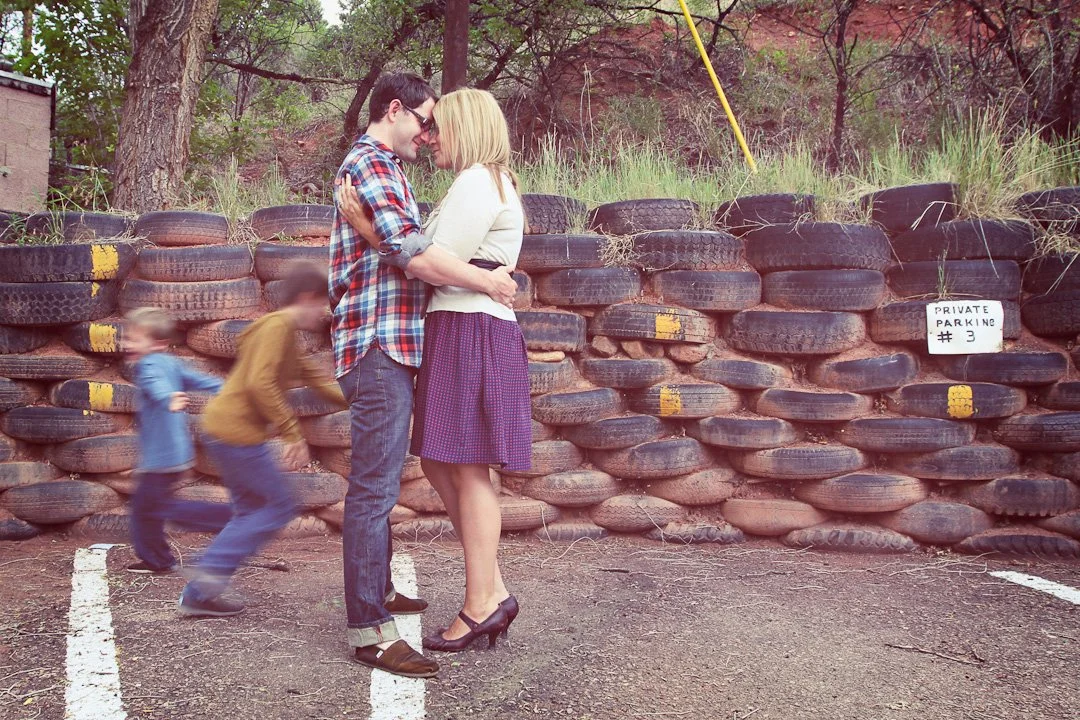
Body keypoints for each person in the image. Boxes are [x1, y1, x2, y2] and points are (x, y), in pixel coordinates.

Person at [329, 73, 518, 677]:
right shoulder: (376, 166)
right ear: (395, 110)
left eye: (437, 123)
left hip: (405, 340)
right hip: (381, 341)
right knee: (376, 489)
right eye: (423, 120)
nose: (428, 133)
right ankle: (370, 631)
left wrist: (379, 236)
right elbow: (412, 254)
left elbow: (409, 246)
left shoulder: (402, 172)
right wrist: (488, 279)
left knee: (418, 472)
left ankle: (393, 593)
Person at [177, 260, 346, 617]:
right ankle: (208, 572)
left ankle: (199, 594)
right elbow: (260, 383)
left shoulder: (283, 334)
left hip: (228, 430)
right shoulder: (277, 328)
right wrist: (291, 433)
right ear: (306, 297)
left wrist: (359, 398)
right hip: (236, 432)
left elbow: (314, 379)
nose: (324, 312)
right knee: (276, 507)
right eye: (321, 304)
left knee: (251, 511)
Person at [123, 307, 233, 575]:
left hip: (160, 458)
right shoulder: (171, 363)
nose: (127, 344)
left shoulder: (147, 365)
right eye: (128, 338)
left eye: (135, 339)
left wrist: (167, 398)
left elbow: (154, 384)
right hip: (176, 453)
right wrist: (228, 388)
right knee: (148, 509)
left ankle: (225, 518)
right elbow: (199, 380)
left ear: (158, 343)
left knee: (152, 509)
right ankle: (158, 558)